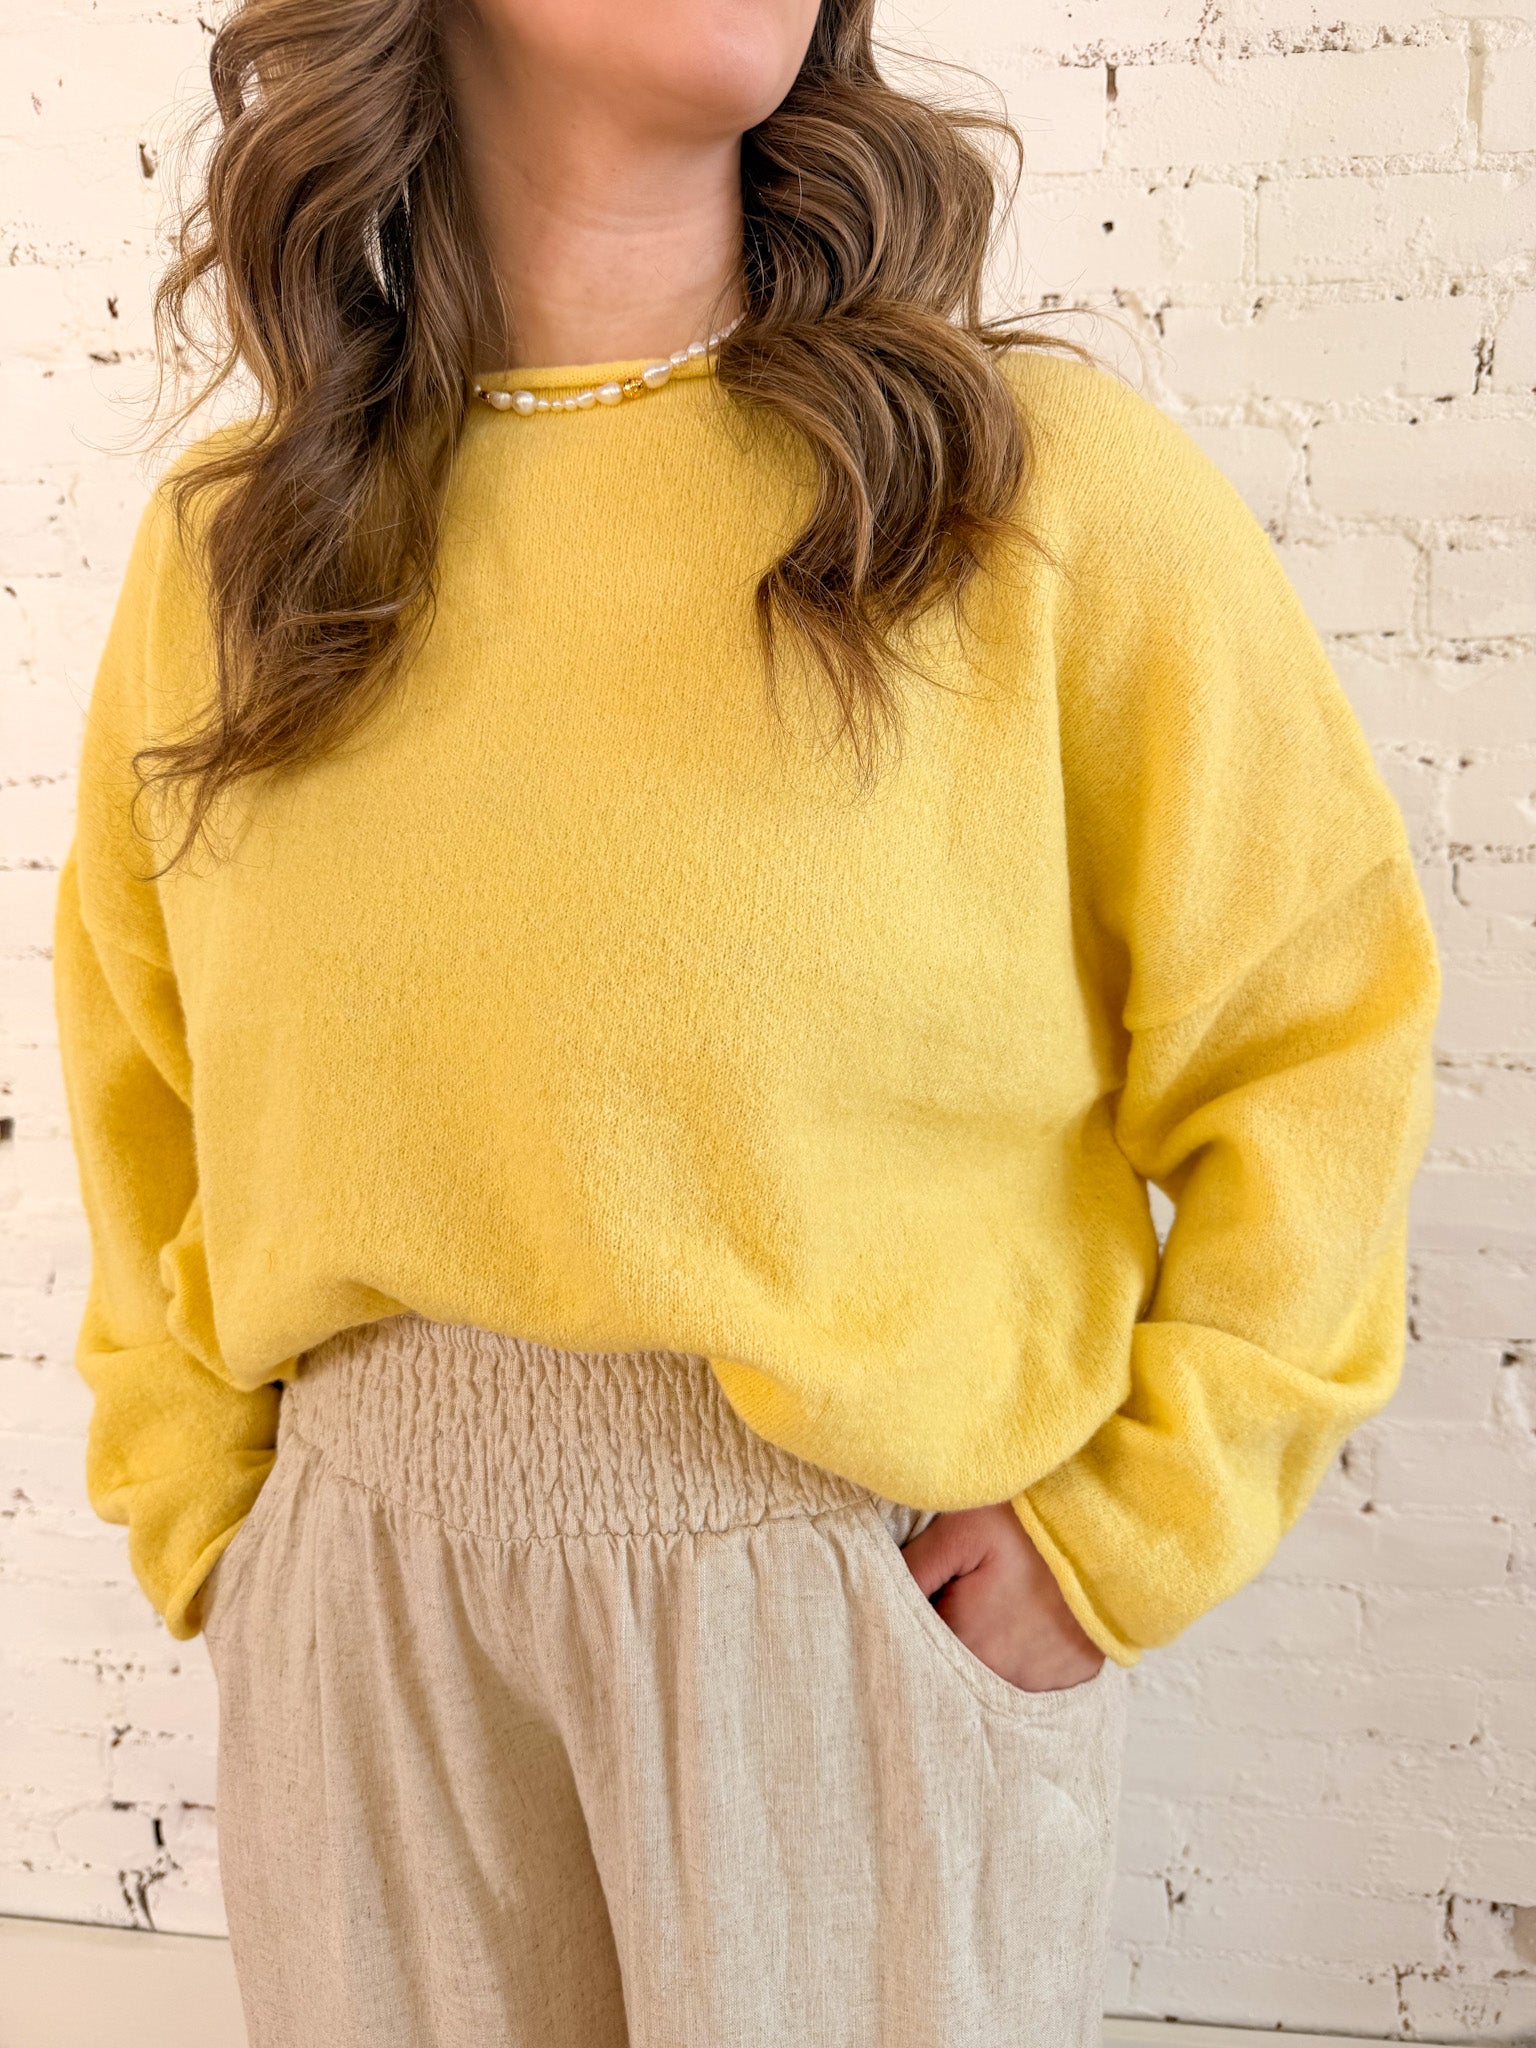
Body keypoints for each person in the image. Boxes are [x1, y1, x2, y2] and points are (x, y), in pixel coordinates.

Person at [51, 0, 1441, 2041]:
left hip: (840, 1608)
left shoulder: (1024, 490)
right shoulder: (236, 553)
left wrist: (1133, 1520)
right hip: (360, 1610)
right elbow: (133, 1070)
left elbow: (1315, 1026)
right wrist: (213, 1522)